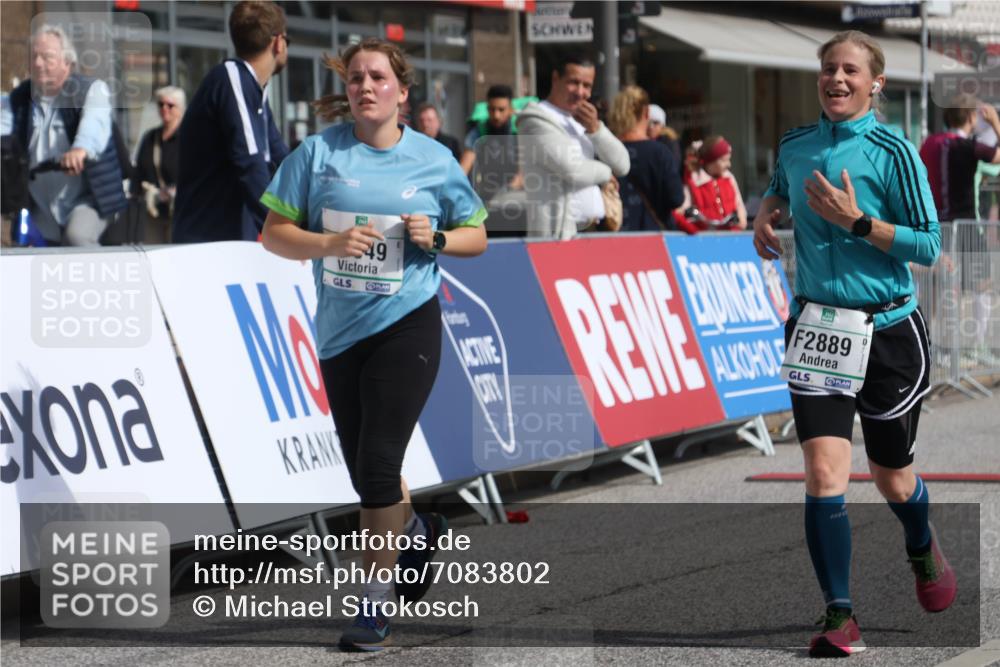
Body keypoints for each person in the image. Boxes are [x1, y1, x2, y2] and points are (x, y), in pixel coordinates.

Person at [259, 37, 487, 651]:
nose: (365, 87)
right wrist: (329, 245)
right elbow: (273, 234)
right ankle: (416, 527)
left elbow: (477, 236)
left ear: (402, 92)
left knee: (380, 463)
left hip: (407, 325)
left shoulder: (434, 160)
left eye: (378, 78)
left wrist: (436, 237)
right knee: (367, 474)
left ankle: (373, 604)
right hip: (338, 333)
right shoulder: (316, 154)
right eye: (357, 78)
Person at [753, 30, 952, 658]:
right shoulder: (796, 145)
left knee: (892, 478)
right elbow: (781, 184)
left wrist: (856, 222)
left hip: (889, 330)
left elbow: (929, 246)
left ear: (875, 83)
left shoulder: (895, 151)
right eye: (828, 70)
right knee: (822, 470)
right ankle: (841, 615)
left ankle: (920, 544)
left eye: (850, 71)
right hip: (817, 328)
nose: (836, 80)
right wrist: (766, 208)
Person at [172, 0, 290, 243]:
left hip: (231, 242)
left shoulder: (254, 89)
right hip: (206, 242)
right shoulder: (232, 78)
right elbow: (250, 163)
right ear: (278, 42)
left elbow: (284, 160)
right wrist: (284, 232)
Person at [8, 25, 127, 246]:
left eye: (47, 57)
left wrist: (80, 150)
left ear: (67, 62)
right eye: (33, 56)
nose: (38, 63)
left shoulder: (91, 90)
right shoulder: (18, 99)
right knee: (23, 244)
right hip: (40, 205)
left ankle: (102, 281)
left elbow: (94, 123)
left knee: (77, 237)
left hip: (89, 198)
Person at [919, 95, 1000, 358]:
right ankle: (977, 346)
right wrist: (996, 123)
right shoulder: (967, 145)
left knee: (935, 288)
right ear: (970, 117)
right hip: (963, 225)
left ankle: (927, 345)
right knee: (983, 285)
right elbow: (997, 157)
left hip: (934, 225)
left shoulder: (929, 143)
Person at [517, 53, 630, 239]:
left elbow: (623, 165)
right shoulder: (535, 119)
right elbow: (571, 169)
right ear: (556, 78)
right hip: (559, 236)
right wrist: (606, 173)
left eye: (587, 86)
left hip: (598, 228)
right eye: (573, 82)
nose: (580, 92)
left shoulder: (584, 120)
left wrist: (596, 129)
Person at [606, 86, 683, 232]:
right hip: (655, 237)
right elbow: (676, 198)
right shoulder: (659, 152)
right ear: (646, 113)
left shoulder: (606, 151)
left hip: (614, 236)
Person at [132, 86, 185, 243]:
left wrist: (176, 189)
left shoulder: (190, 136)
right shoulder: (150, 137)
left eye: (170, 105)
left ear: (180, 108)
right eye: (160, 104)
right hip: (153, 209)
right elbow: (139, 171)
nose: (164, 109)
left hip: (180, 210)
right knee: (154, 255)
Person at [675, 135, 748, 232]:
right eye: (723, 160)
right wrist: (694, 231)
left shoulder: (729, 178)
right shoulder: (695, 181)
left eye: (728, 159)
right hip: (706, 238)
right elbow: (681, 210)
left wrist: (741, 220)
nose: (729, 164)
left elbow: (739, 204)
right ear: (711, 161)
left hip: (731, 236)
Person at [460, 84, 517, 175]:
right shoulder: (480, 130)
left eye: (501, 110)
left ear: (511, 110)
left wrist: (510, 188)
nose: (496, 115)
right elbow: (464, 166)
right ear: (487, 109)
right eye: (492, 109)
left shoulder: (519, 130)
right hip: (488, 184)